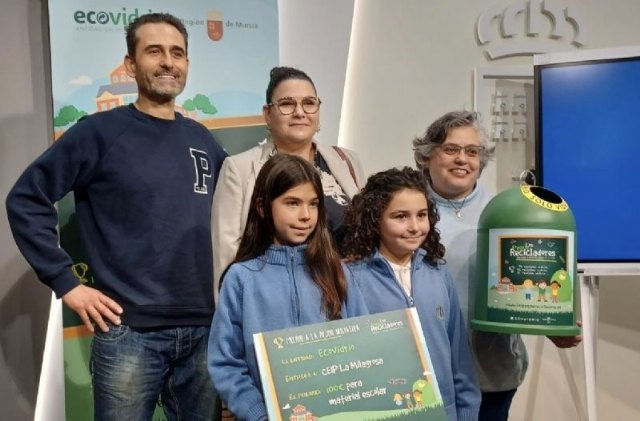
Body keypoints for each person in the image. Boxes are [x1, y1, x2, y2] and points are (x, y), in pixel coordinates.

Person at [5, 13, 227, 420]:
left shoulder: (201, 138)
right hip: (129, 333)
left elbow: (240, 211)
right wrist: (66, 283)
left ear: (187, 64)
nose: (168, 62)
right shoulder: (98, 132)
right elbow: (26, 199)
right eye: (154, 51)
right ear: (130, 64)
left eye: (177, 53)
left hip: (204, 329)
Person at [412, 110, 581, 421]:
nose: (462, 159)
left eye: (472, 151)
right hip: (424, 374)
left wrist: (551, 324)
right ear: (427, 156)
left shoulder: (507, 212)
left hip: (491, 373)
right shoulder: (406, 211)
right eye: (451, 149)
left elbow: (527, 283)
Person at [208, 154, 368, 421]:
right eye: (292, 203)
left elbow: (362, 345)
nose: (305, 216)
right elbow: (226, 363)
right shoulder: (241, 278)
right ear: (262, 207)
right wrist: (258, 414)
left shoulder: (337, 272)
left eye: (313, 204)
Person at [211, 66, 365, 297]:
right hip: (275, 300)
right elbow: (226, 255)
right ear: (267, 114)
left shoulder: (346, 161)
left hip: (348, 296)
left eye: (309, 103)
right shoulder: (239, 168)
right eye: (287, 104)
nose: (300, 112)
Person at [342, 167, 481, 421]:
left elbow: (459, 354)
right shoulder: (350, 277)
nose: (415, 227)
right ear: (375, 218)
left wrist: (467, 411)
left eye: (422, 215)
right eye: (401, 217)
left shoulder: (438, 271)